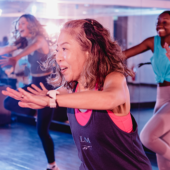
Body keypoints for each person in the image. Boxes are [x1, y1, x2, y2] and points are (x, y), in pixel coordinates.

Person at [3, 18, 152, 170]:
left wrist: (51, 100)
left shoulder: (113, 78)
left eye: (65, 49)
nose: (58, 57)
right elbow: (54, 95)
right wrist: (44, 96)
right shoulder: (71, 89)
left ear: (89, 50)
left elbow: (111, 98)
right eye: (57, 50)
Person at [0, 14, 59, 170]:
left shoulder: (40, 40)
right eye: (19, 24)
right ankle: (35, 110)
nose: (19, 27)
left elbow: (29, 50)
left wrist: (16, 58)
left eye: (23, 23)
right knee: (8, 102)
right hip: (34, 84)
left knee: (42, 130)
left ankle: (52, 165)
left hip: (45, 88)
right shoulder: (24, 41)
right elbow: (6, 48)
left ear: (31, 25)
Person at [123, 11, 170, 170]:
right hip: (161, 97)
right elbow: (123, 55)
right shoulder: (153, 42)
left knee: (148, 137)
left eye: (165, 22)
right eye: (158, 21)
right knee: (163, 152)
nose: (160, 25)